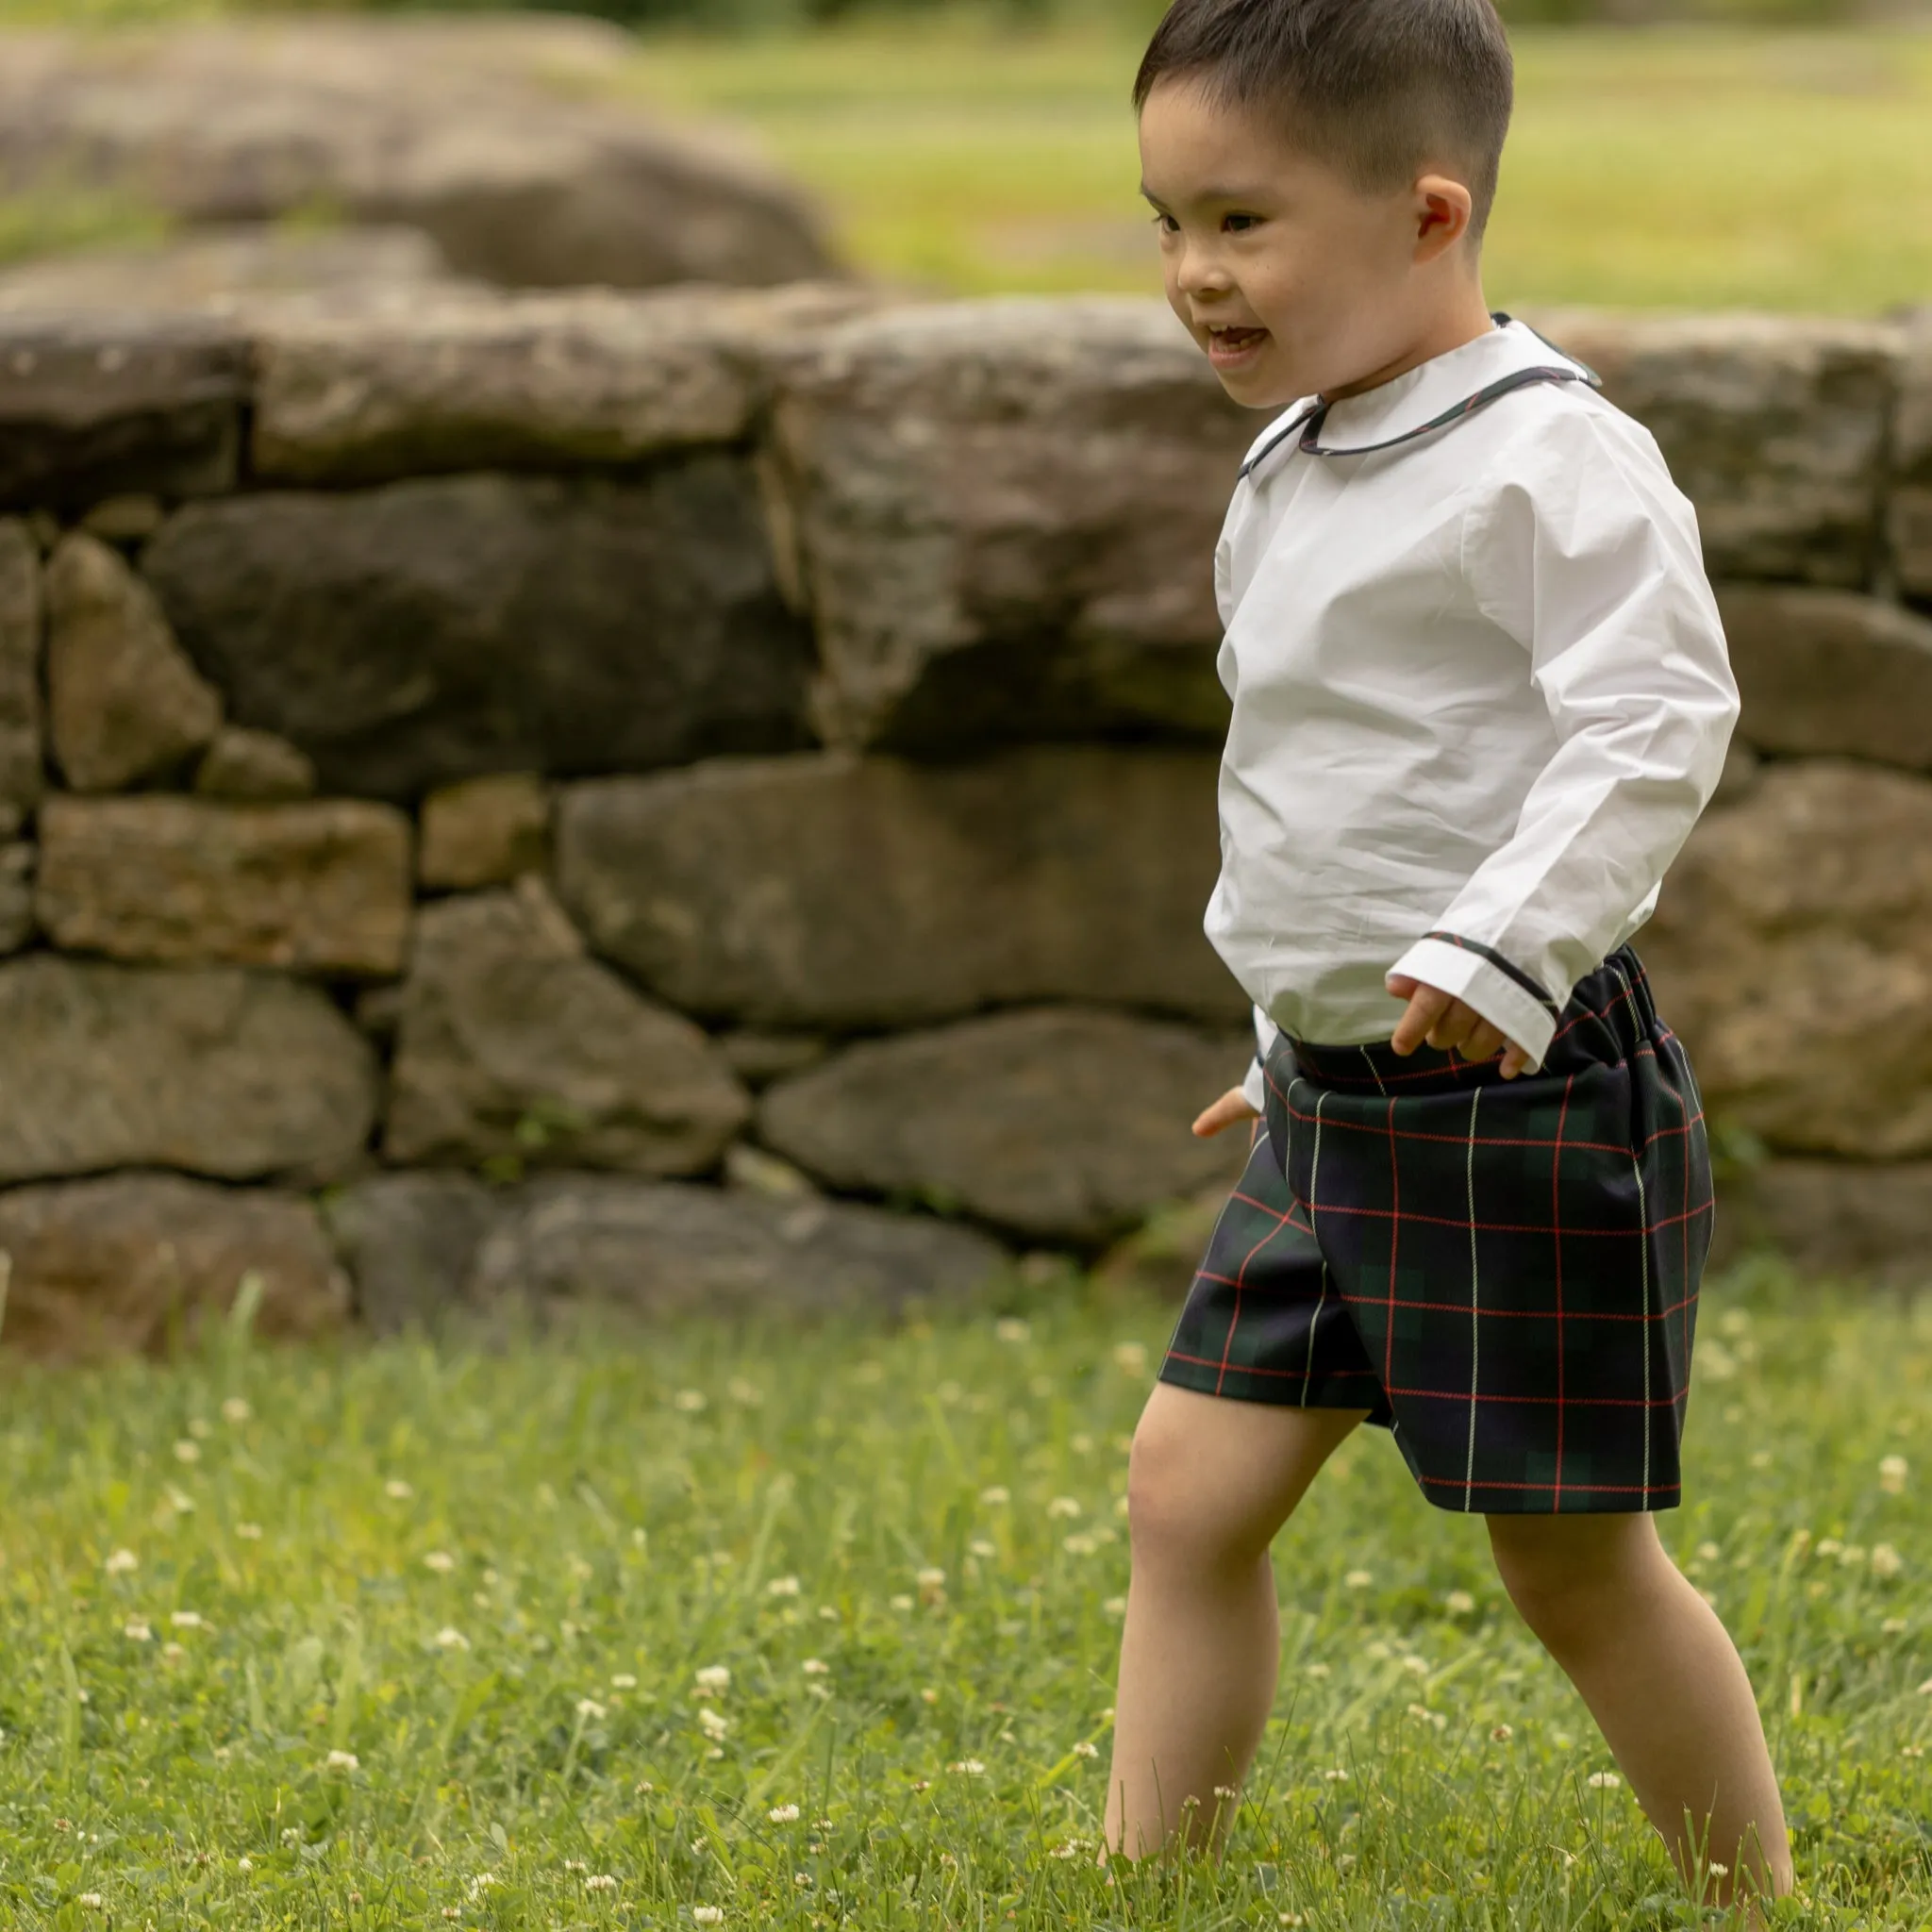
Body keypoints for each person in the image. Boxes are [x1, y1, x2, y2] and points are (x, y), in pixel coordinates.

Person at [1106, 0, 1793, 1914]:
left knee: (1565, 1560)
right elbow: (1325, 792)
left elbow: (1650, 714)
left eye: (1238, 222)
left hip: (1513, 1089)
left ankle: (1748, 1891)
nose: (1191, 274)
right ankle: (1142, 1876)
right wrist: (1287, 1020)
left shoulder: (1542, 457)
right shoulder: (1296, 463)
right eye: (1163, 221)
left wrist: (1498, 951)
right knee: (1186, 1492)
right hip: (1331, 1102)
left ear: (1426, 212)